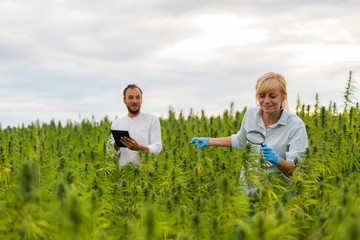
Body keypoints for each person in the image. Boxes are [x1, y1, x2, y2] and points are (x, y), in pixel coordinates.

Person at [190, 72, 308, 183]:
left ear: (283, 97)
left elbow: (296, 171)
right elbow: (240, 141)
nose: (266, 101)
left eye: (272, 96)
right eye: (262, 96)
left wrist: (277, 160)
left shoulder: (295, 125)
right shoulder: (251, 114)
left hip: (279, 194)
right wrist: (208, 141)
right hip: (247, 189)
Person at [111, 84, 162, 167]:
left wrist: (139, 147)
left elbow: (157, 147)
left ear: (141, 100)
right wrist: (116, 146)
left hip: (146, 176)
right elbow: (111, 153)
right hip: (124, 176)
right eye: (131, 97)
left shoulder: (152, 120)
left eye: (138, 97)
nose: (135, 101)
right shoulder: (116, 123)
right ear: (124, 100)